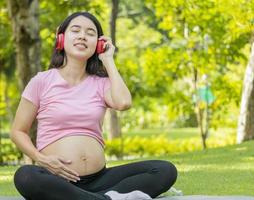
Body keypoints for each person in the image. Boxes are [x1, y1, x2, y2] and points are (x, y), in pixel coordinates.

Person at [10, 11, 177, 200]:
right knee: (25, 176)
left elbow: (123, 103)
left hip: (101, 180)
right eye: (76, 30)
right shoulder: (41, 81)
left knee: (164, 170)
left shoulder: (101, 83)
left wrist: (108, 60)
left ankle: (89, 198)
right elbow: (18, 131)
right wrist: (42, 159)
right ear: (61, 37)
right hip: (57, 178)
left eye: (90, 33)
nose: (82, 35)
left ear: (98, 44)